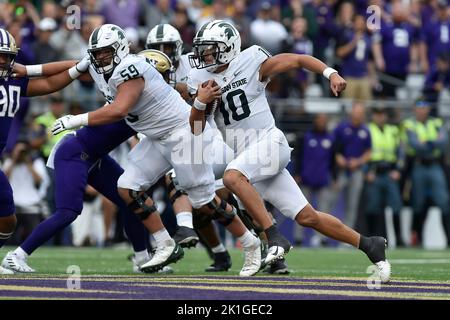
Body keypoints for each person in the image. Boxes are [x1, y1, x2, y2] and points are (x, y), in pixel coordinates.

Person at [49, 24, 262, 276]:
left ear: (119, 50)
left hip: (184, 135)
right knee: (127, 187)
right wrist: (28, 70)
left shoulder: (131, 68)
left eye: (106, 52)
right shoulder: (103, 65)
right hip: (156, 137)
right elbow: (68, 67)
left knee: (203, 201)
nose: (101, 58)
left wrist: (74, 120)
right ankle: (164, 243)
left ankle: (251, 243)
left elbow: (117, 110)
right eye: (98, 53)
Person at [187, 20, 391, 282]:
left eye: (209, 49)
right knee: (308, 217)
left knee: (232, 177)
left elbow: (297, 59)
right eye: (202, 50)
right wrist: (200, 103)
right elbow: (195, 129)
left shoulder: (250, 61)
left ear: (228, 48)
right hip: (251, 158)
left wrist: (330, 73)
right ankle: (369, 244)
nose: (204, 55)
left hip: (270, 143)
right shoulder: (201, 79)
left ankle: (274, 237)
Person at [1, 50, 181, 274]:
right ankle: (16, 256)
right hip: (75, 152)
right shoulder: (129, 95)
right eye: (160, 75)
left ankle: (141, 259)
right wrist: (29, 70)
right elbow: (81, 66)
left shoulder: (137, 93)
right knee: (68, 211)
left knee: (130, 198)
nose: (163, 82)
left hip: (95, 155)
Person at [0, 27, 90, 274]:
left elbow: (51, 82)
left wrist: (78, 66)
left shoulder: (14, 80)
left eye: (6, 56)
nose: (2, 61)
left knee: (8, 219)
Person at [146, 23, 233, 272]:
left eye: (168, 47)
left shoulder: (195, 64)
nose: (163, 52)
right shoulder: (145, 67)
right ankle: (218, 254)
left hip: (209, 134)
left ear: (179, 48)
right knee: (199, 201)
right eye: (157, 48)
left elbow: (210, 94)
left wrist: (179, 91)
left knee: (230, 197)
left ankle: (269, 246)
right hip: (174, 138)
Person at [402, 99, 450, 247]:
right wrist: (433, 142)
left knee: (444, 201)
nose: (422, 111)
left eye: (425, 108)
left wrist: (427, 143)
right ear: (414, 110)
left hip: (435, 165)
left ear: (428, 109)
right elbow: (415, 145)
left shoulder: (436, 122)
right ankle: (418, 237)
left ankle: (448, 238)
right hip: (418, 165)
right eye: (419, 108)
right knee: (418, 202)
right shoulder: (409, 124)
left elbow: (444, 142)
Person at [365, 108, 404, 246]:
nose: (380, 117)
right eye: (377, 114)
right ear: (374, 115)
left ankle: (399, 239)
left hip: (389, 172)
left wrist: (398, 169)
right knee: (373, 207)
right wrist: (366, 171)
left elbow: (400, 152)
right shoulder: (368, 129)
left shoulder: (393, 131)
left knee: (396, 206)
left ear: (386, 116)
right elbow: (363, 150)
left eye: (382, 114)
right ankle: (372, 240)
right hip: (374, 171)